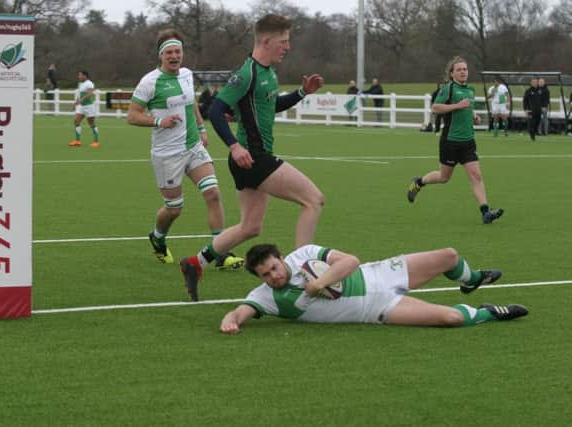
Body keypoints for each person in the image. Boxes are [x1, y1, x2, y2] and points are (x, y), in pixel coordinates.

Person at [179, 14, 325, 301]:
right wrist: (234, 145)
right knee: (313, 200)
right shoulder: (247, 73)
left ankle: (196, 263)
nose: (288, 47)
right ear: (267, 41)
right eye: (284, 41)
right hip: (252, 158)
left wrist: (301, 93)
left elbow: (272, 106)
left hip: (251, 160)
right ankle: (301, 272)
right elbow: (216, 110)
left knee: (250, 227)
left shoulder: (269, 72)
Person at [127, 29, 243, 270]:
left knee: (213, 194)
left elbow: (191, 105)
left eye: (177, 51)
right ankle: (158, 237)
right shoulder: (150, 82)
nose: (174, 55)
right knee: (174, 209)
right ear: (161, 56)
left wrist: (201, 129)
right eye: (169, 52)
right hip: (167, 154)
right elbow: (132, 116)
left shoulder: (187, 75)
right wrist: (160, 121)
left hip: (193, 147)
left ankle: (220, 252)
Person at [220, 243, 528, 334]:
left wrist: (320, 283)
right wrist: (232, 320)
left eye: (273, 267)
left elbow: (351, 260)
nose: (272, 276)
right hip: (376, 310)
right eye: (264, 275)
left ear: (279, 258)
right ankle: (488, 312)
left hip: (379, 275)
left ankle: (471, 279)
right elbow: (243, 310)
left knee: (448, 256)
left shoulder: (304, 255)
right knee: (453, 320)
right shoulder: (267, 296)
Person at [407, 56, 504, 224]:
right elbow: (435, 108)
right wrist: (457, 106)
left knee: (476, 176)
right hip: (450, 141)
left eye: (465, 69)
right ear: (452, 74)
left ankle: (485, 212)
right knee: (444, 178)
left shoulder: (471, 90)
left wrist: (474, 115)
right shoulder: (449, 89)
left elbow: (468, 107)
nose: (463, 72)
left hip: (468, 141)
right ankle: (419, 182)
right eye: (459, 70)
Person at [68, 70, 100, 148]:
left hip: (89, 107)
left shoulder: (89, 83)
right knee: (76, 121)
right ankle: (77, 141)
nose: (79, 77)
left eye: (80, 75)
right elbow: (79, 95)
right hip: (81, 107)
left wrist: (82, 99)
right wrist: (75, 104)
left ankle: (96, 141)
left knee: (91, 123)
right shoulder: (81, 84)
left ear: (85, 76)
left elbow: (90, 93)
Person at [523, 77, 543, 141]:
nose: (535, 83)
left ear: (537, 83)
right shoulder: (528, 91)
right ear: (531, 83)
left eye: (536, 82)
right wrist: (525, 109)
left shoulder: (540, 91)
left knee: (538, 122)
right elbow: (525, 101)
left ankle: (533, 132)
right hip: (531, 110)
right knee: (532, 123)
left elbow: (544, 99)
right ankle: (532, 137)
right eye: (533, 82)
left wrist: (544, 106)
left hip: (539, 110)